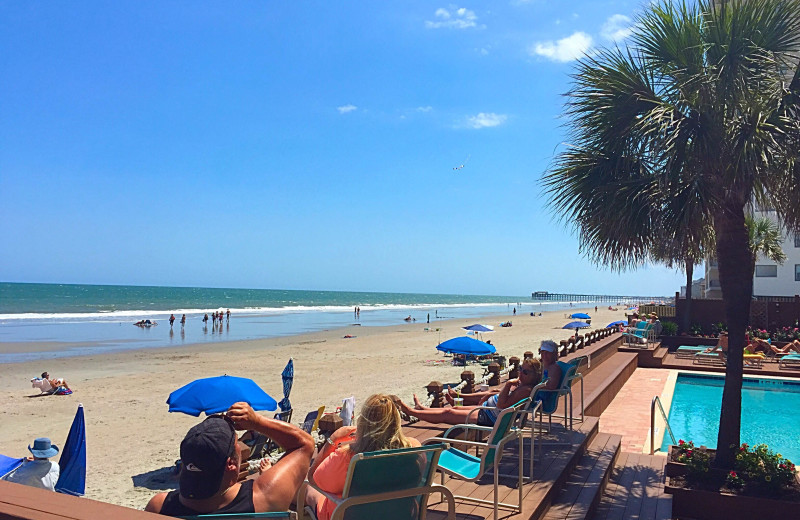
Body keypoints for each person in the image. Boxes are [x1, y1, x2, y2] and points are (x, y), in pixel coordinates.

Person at [145, 402, 314, 517]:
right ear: (231, 464)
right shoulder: (262, 501)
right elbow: (304, 445)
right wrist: (257, 422)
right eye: (237, 442)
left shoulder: (158, 507)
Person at [303, 394, 421, 520]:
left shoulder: (349, 457)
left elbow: (313, 478)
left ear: (363, 422)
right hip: (398, 513)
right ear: (396, 421)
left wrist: (333, 439)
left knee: (309, 489)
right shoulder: (414, 448)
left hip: (350, 514)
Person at [396, 357, 541, 426]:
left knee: (449, 413)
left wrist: (509, 383)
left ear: (534, 376)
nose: (521, 373)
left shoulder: (525, 390)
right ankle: (422, 409)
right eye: (521, 369)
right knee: (456, 408)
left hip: (490, 417)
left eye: (526, 372)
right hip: (488, 410)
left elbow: (502, 405)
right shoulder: (523, 385)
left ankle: (411, 412)